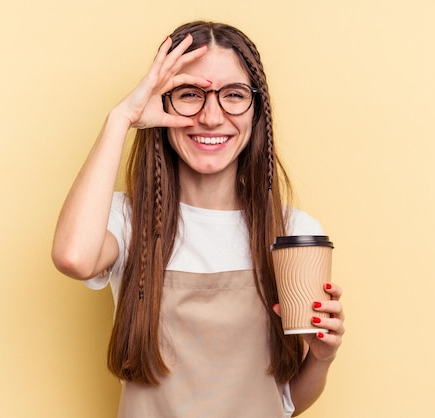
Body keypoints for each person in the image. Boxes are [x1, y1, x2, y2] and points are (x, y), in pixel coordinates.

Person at [52, 21, 345, 418]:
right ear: (162, 103)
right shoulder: (128, 219)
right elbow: (73, 257)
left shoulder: (293, 233)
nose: (211, 117)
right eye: (190, 94)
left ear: (256, 111)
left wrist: (322, 357)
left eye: (233, 95)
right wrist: (122, 117)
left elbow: (286, 403)